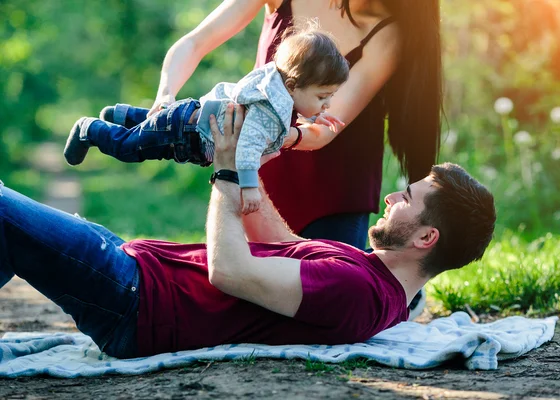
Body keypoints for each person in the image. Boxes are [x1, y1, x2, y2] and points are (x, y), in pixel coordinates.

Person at [0, 106, 496, 359]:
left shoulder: (359, 292)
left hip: (135, 300)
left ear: (425, 239)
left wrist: (223, 174)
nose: (390, 198)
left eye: (406, 199)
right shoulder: (371, 275)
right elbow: (280, 240)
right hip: (134, 272)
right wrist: (247, 161)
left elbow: (230, 271)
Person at [147, 0, 442, 316]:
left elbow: (325, 129)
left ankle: (399, 288)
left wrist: (272, 135)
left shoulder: (388, 32)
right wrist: (165, 97)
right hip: (263, 172)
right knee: (237, 293)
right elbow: (194, 42)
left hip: (336, 193)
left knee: (323, 307)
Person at [63, 28, 349, 214]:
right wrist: (248, 186)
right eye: (323, 96)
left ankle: (121, 115)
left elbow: (281, 119)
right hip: (184, 132)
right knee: (129, 149)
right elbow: (248, 149)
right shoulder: (268, 113)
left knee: (152, 134)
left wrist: (316, 111)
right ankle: (90, 129)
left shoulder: (274, 92)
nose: (327, 103)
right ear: (293, 86)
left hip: (185, 126)